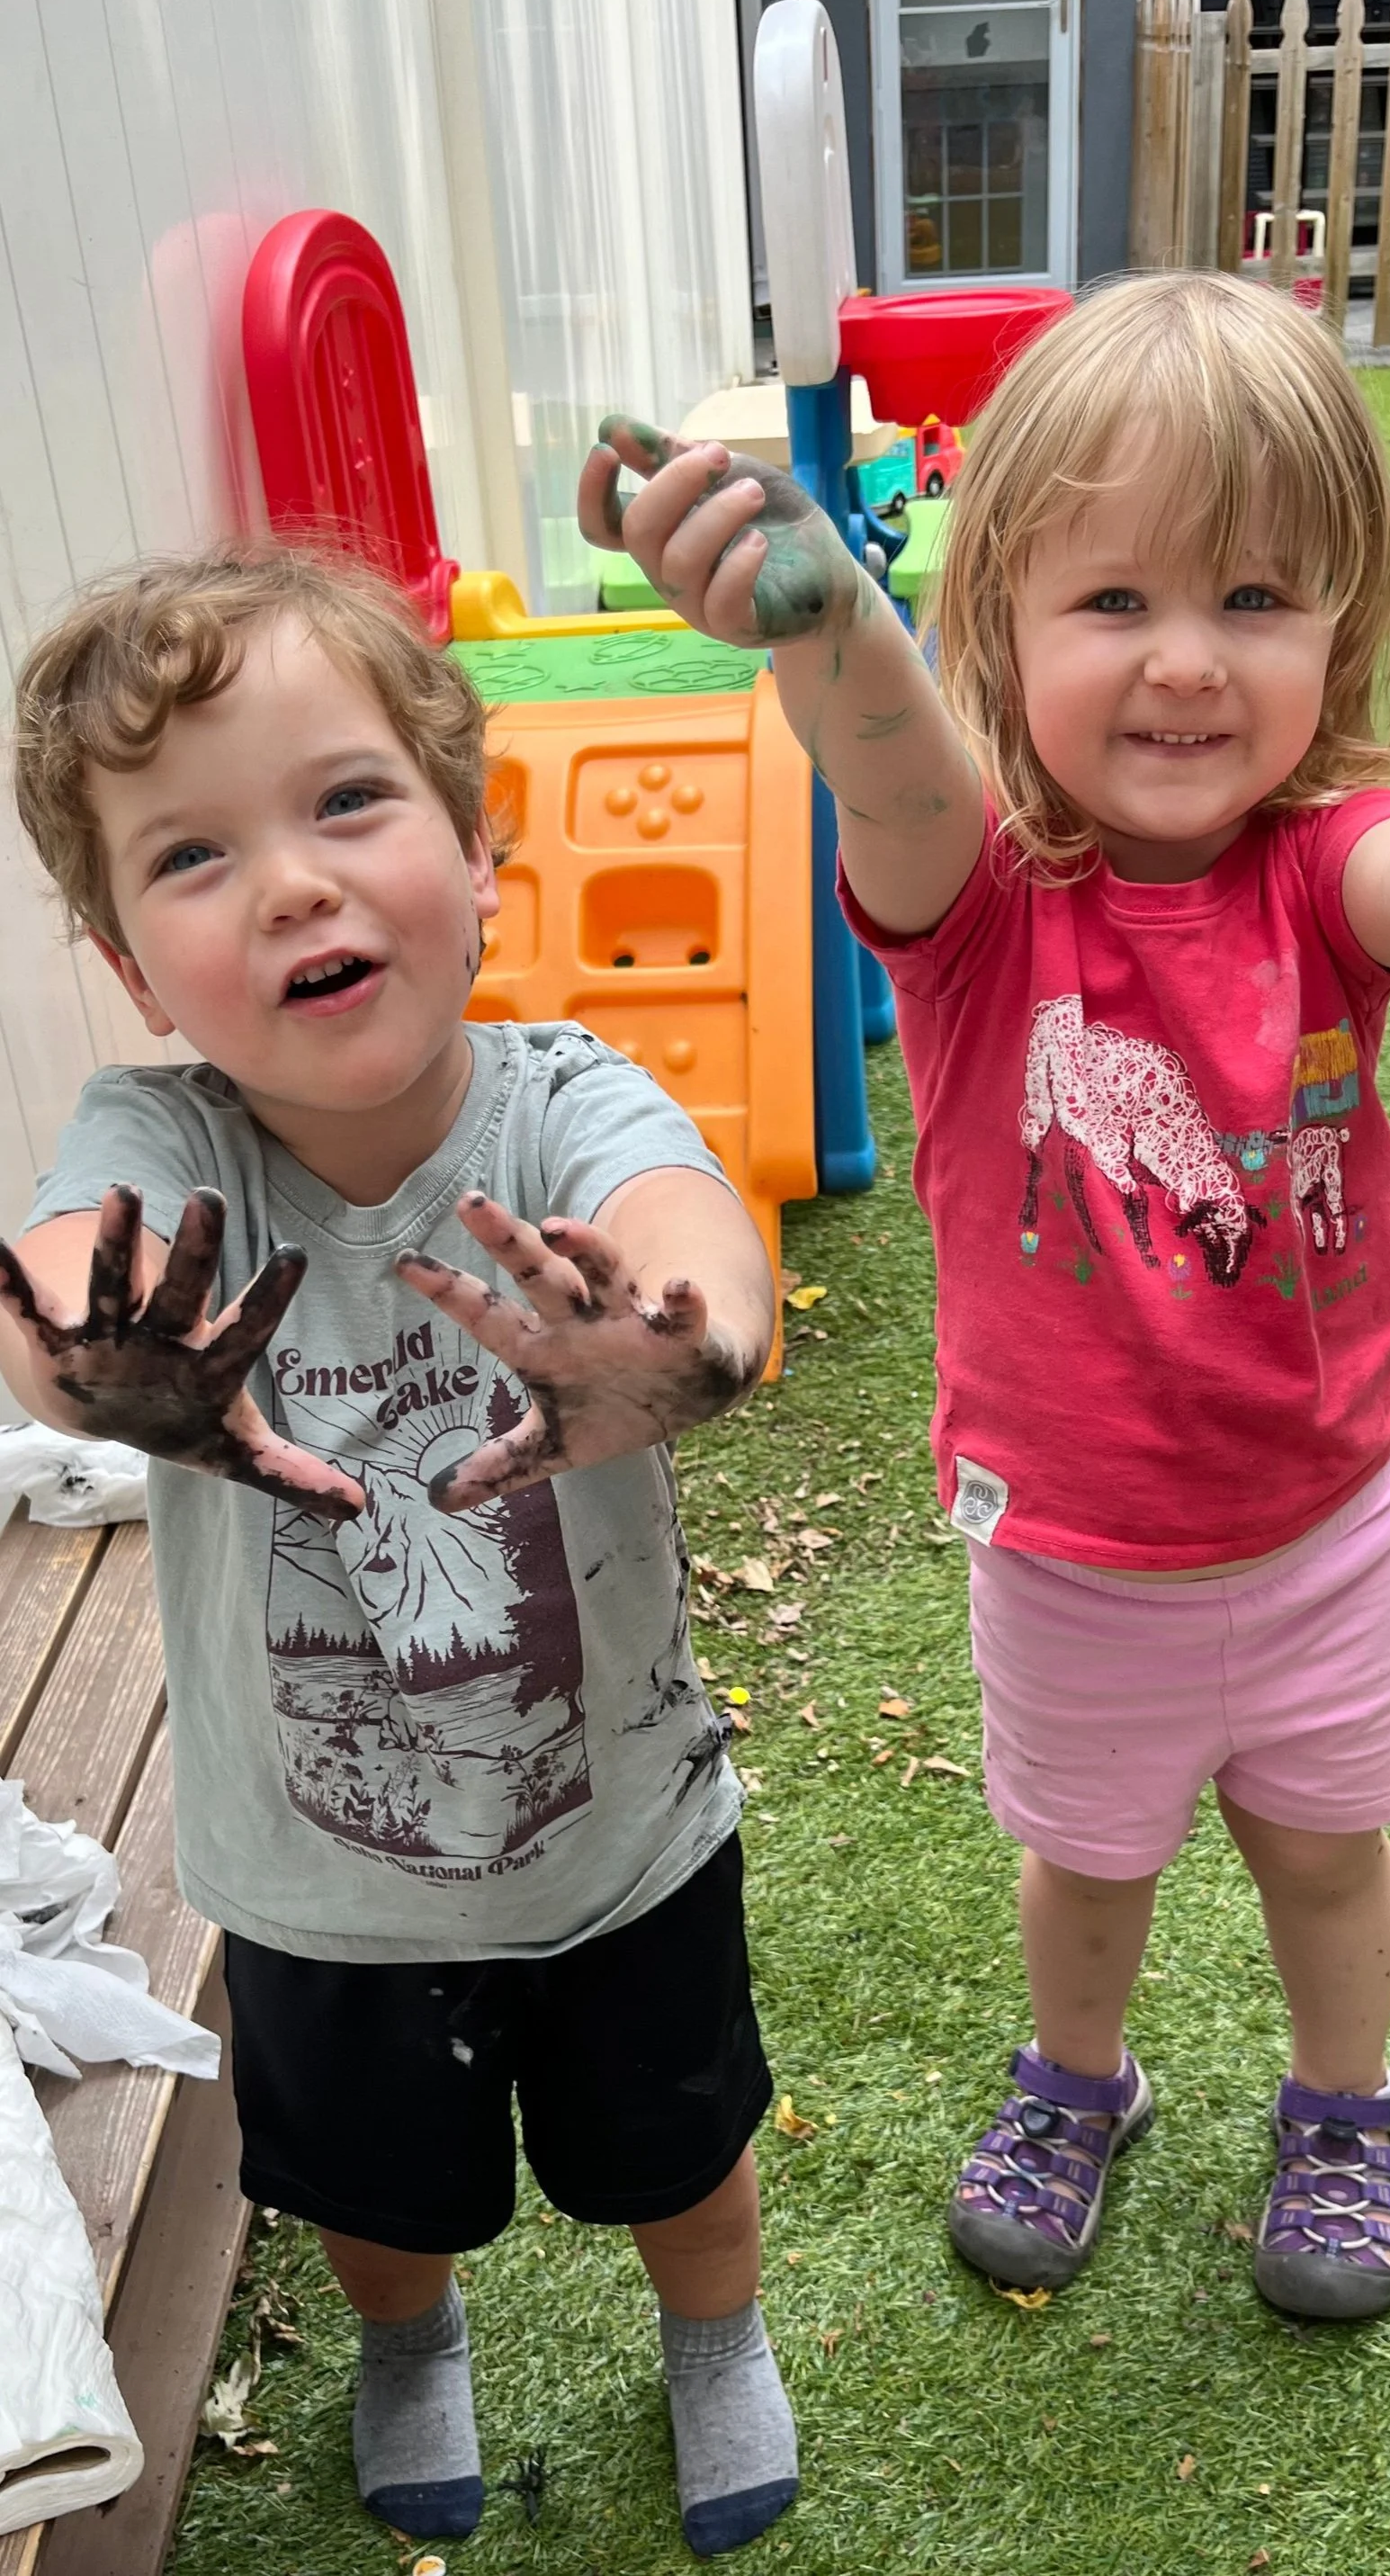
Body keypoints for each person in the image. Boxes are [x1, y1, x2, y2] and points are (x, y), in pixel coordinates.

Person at [579, 273, 1390, 2320]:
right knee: (1088, 1863)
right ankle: (1080, 2077)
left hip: (1319, 1523)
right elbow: (890, 762)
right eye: (1111, 603)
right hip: (1066, 1546)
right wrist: (821, 614)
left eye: (1255, 597)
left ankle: (1340, 2104)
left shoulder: (1322, 871)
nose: (1187, 662)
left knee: (1324, 1849)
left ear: (1346, 627)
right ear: (1003, 620)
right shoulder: (971, 900)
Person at [1, 548, 797, 2556]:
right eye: (193, 853)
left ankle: (713, 2343)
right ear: (126, 956)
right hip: (316, 1885)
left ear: (479, 852)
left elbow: (700, 1239)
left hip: (622, 1836)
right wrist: (108, 1365)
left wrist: (671, 1350)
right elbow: (62, 1274)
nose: (288, 881)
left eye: (346, 801)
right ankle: (412, 2342)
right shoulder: (162, 1141)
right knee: (370, 2199)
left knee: (684, 2157)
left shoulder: (558, 1103)